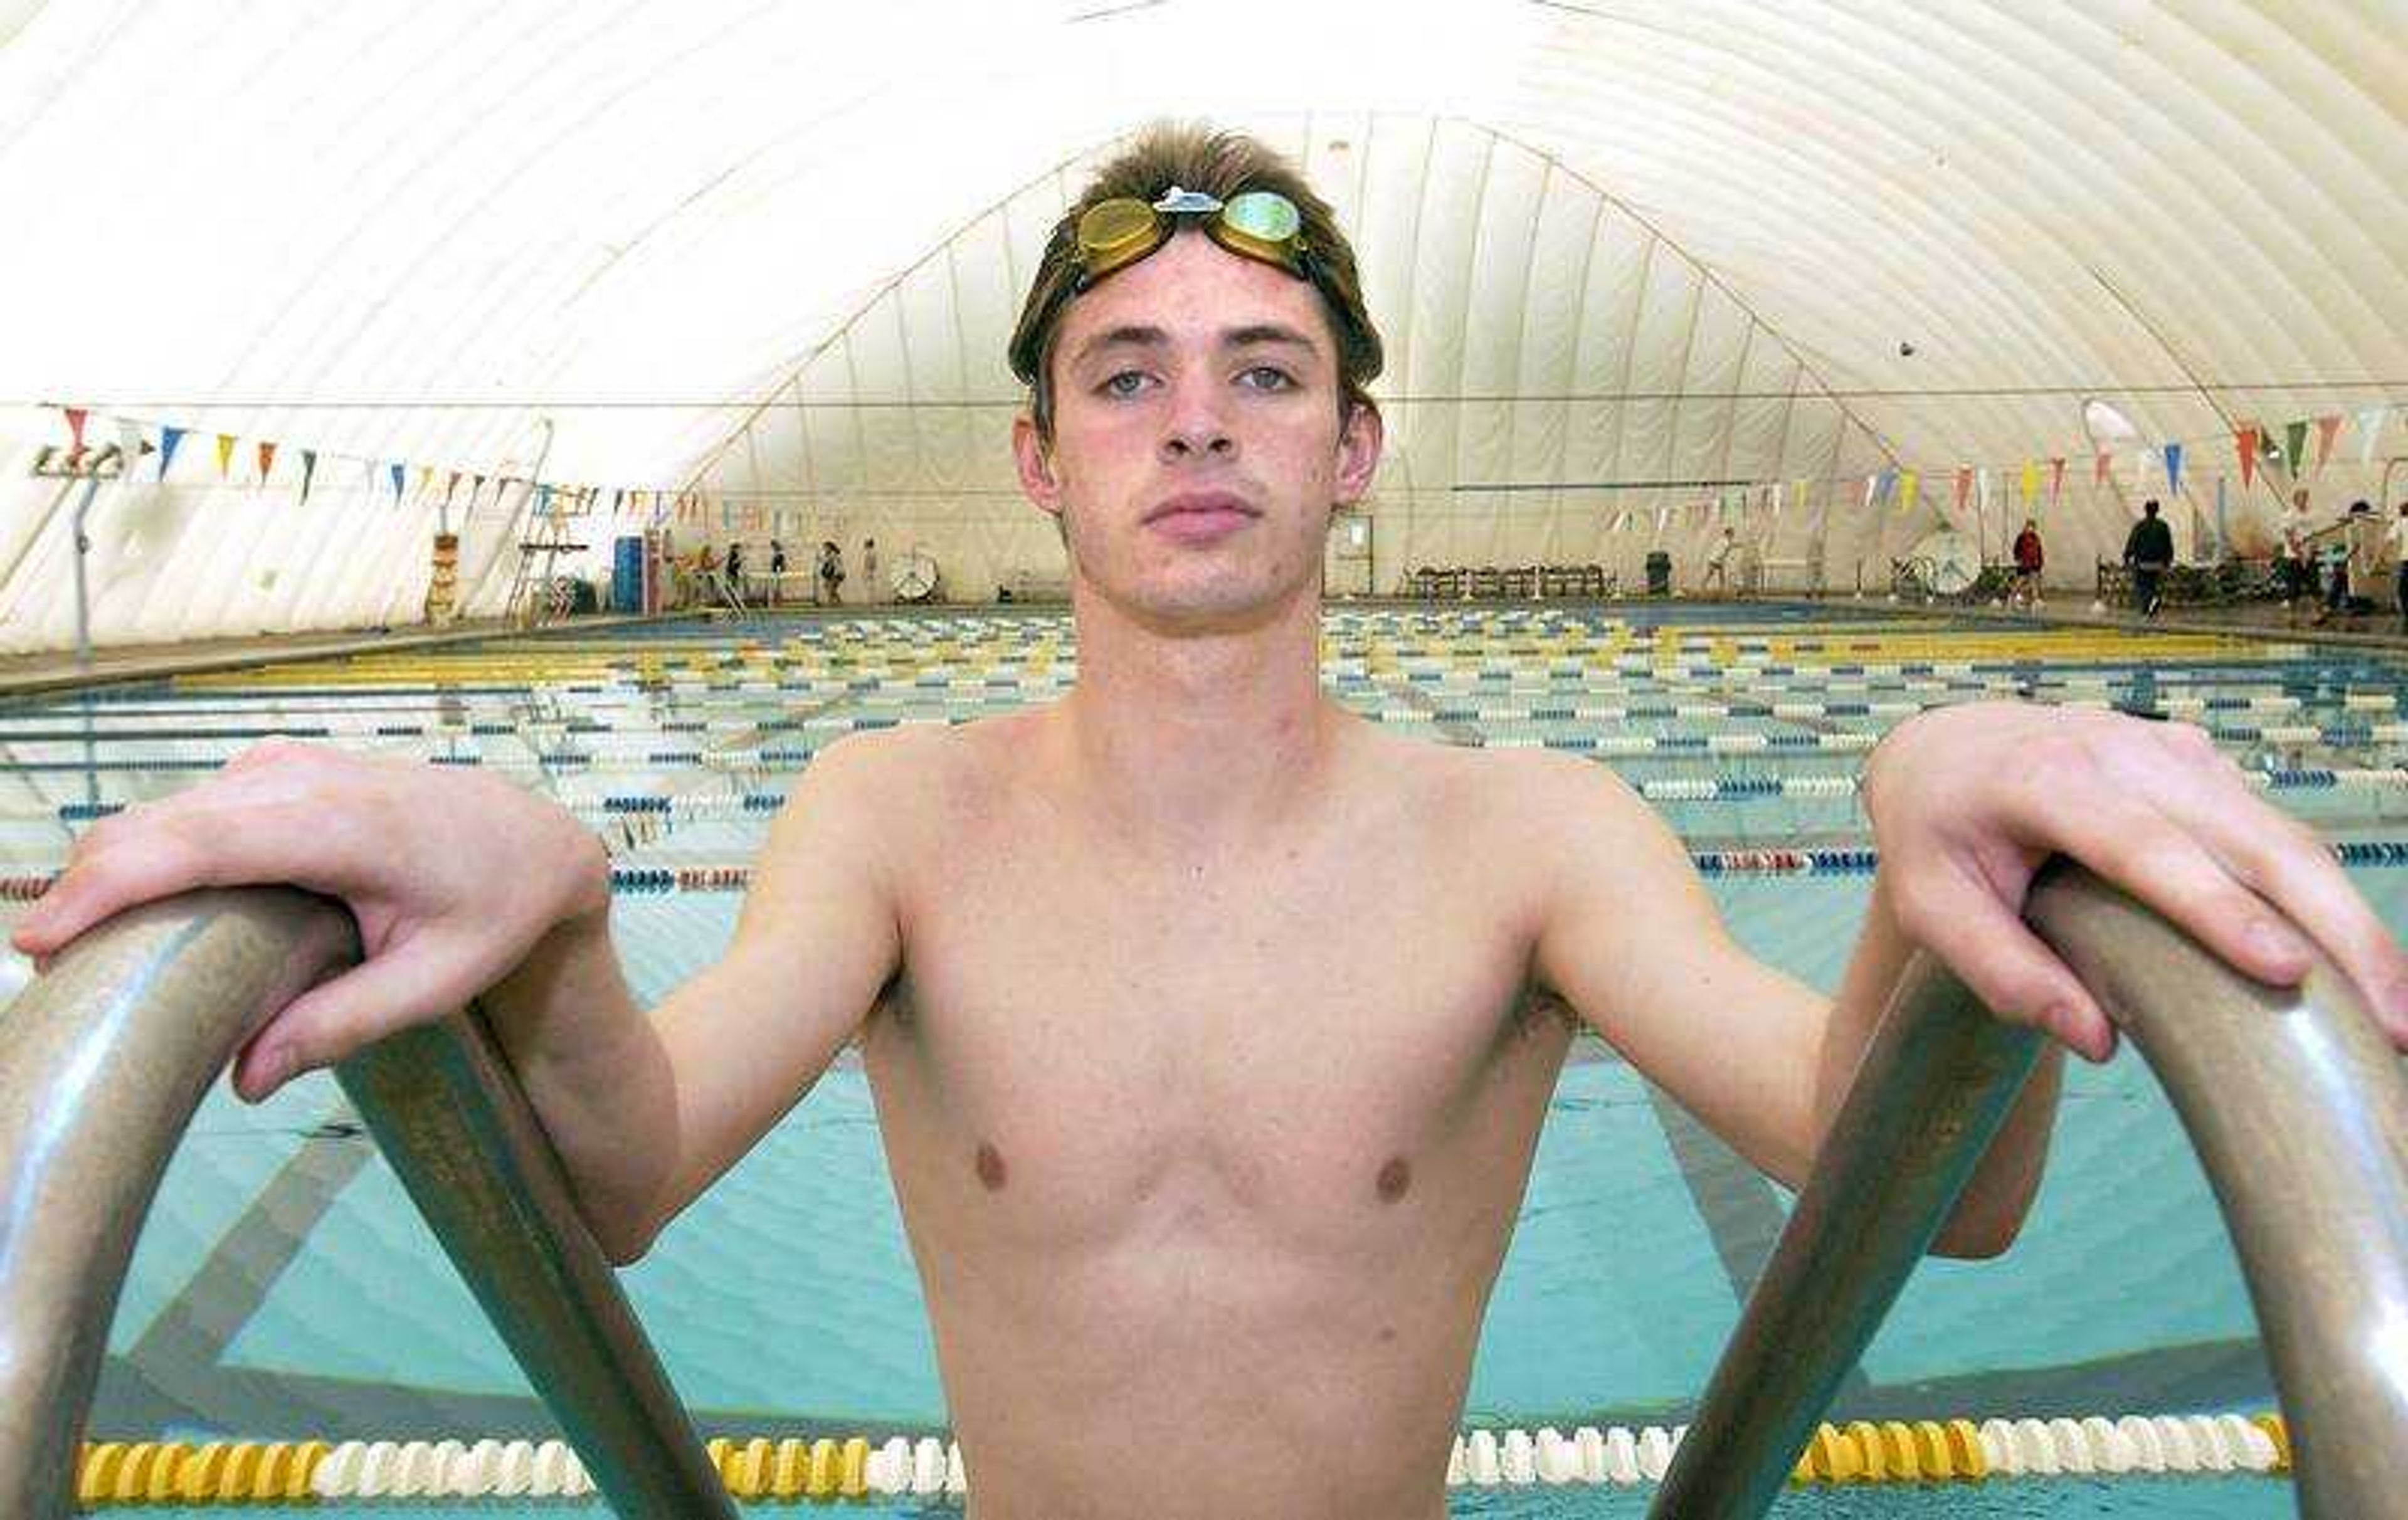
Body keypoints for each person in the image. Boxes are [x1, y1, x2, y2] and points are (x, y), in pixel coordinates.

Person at [16, 125, 2405, 1520]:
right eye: (1128, 378)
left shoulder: (1534, 834)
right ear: (1043, 457)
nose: (1199, 427)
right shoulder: (893, 817)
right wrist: (548, 898)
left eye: (1266, 376)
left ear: (1350, 452)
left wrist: (1932, 801)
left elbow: (1948, 1195)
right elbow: (623, 1178)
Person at [2122, 500, 2173, 616]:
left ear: (2146, 510)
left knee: (2143, 588)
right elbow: (2168, 545)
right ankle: (2153, 607)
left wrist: (2126, 558)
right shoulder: (2163, 526)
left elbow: (2132, 543)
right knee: (2155, 588)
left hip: (2142, 564)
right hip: (2158, 564)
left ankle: (2146, 609)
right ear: (2157, 511)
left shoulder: (2140, 526)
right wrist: (2168, 562)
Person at [2276, 490, 2313, 626]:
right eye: (2302, 498)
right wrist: (2299, 555)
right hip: (2294, 557)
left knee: (2313, 585)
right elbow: (2289, 537)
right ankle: (2291, 616)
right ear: (2296, 500)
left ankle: (2316, 614)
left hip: (2308, 554)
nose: (2305, 501)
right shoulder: (2289, 515)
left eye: (2306, 498)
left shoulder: (2308, 514)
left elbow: (2311, 534)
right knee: (2294, 588)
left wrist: (2312, 551)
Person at [2010, 519, 2045, 610]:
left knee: (2034, 582)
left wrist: (2040, 563)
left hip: (2034, 564)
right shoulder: (2021, 537)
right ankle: (2013, 596)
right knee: (2020, 581)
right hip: (2024, 564)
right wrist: (2018, 559)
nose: (2030, 529)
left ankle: (2035, 600)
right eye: (2029, 526)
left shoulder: (2036, 538)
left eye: (2032, 527)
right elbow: (2016, 550)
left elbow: (2039, 551)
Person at [1701, 523, 1737, 596]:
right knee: (1711, 574)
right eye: (1732, 533)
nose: (1733, 535)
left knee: (1721, 575)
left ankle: (1721, 589)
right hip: (1715, 560)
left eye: (1733, 533)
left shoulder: (1725, 540)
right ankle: (1704, 587)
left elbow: (1730, 546)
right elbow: (1729, 547)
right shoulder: (1725, 541)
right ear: (1728, 534)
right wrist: (1739, 546)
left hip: (1717, 560)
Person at [818, 539, 845, 606]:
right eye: (824, 548)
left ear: (830, 548)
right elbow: (825, 561)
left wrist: (827, 572)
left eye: (826, 548)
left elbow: (831, 564)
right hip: (834, 573)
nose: (825, 549)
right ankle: (839, 602)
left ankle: (830, 603)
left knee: (831, 588)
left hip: (838, 574)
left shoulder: (833, 554)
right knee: (828, 587)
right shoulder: (829, 555)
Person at [768, 539, 789, 606]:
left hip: (778, 571)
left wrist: (780, 570)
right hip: (776, 571)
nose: (773, 548)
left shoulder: (780, 554)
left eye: (773, 546)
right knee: (776, 587)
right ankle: (777, 601)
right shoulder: (777, 554)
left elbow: (782, 563)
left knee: (777, 587)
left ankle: (778, 601)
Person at [862, 537, 881, 606]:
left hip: (870, 571)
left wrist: (869, 571)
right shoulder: (871, 552)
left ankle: (872, 602)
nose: (864, 544)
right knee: (871, 587)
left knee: (870, 587)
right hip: (870, 571)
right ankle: (871, 602)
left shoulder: (871, 552)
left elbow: (871, 563)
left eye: (866, 543)